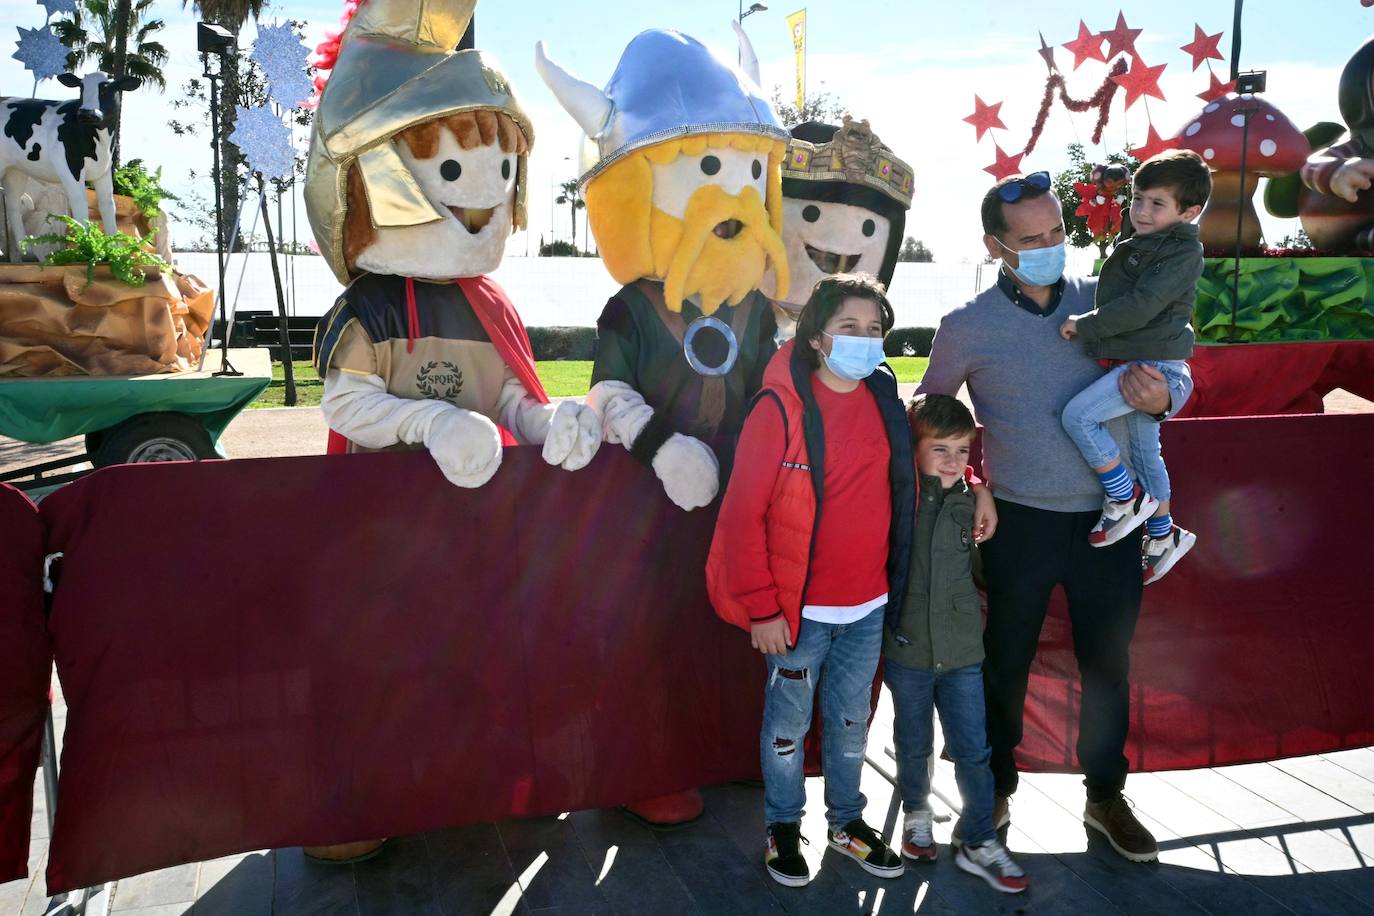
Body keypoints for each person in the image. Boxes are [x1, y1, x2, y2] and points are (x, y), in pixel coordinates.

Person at [919, 172, 1189, 864]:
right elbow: (930, 426)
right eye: (1031, 240)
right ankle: (994, 790)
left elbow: (1177, 371)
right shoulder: (966, 326)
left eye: (1057, 234)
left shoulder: (1112, 300)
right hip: (1018, 523)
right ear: (995, 246)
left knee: (1108, 666)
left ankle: (1105, 798)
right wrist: (972, 482)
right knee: (1004, 664)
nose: (1050, 248)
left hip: (1113, 522)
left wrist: (1162, 399)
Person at [706, 273, 914, 888]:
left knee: (853, 722)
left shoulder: (884, 399)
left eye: (874, 329)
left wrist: (974, 488)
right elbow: (742, 514)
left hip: (867, 606)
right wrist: (764, 609)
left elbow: (917, 473)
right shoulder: (778, 409)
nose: (864, 340)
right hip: (798, 614)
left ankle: (847, 823)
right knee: (788, 727)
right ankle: (782, 827)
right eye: (849, 328)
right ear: (817, 338)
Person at [884, 393, 1028, 894]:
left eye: (963, 451)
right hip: (909, 649)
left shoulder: (972, 504)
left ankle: (979, 836)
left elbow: (984, 571)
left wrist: (981, 489)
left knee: (972, 747)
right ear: (914, 449)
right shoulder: (898, 499)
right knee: (913, 741)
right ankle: (917, 815)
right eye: (940, 449)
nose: (952, 461)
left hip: (965, 652)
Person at [1059, 150, 1210, 583]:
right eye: (1138, 198)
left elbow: (1142, 306)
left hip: (1154, 359)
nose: (1142, 211)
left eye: (1157, 204)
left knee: (1078, 417)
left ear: (1189, 212)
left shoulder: (1180, 252)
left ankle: (1124, 498)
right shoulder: (1149, 240)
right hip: (1145, 357)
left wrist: (1084, 325)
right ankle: (1164, 535)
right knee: (1146, 454)